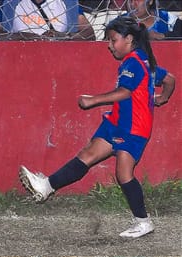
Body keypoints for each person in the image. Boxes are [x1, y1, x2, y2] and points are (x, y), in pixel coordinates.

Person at [19, 16, 175, 239]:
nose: (109, 46)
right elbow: (169, 79)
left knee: (123, 173)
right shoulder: (143, 59)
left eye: (113, 40)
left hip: (132, 128)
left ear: (129, 39)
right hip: (117, 122)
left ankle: (143, 222)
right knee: (88, 154)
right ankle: (46, 186)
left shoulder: (133, 62)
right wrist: (162, 98)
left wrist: (92, 100)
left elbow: (125, 93)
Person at [0, 0, 95, 41]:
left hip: (59, 58)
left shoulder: (67, 3)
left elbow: (89, 34)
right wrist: (20, 36)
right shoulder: (11, 3)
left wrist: (62, 36)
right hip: (18, 59)